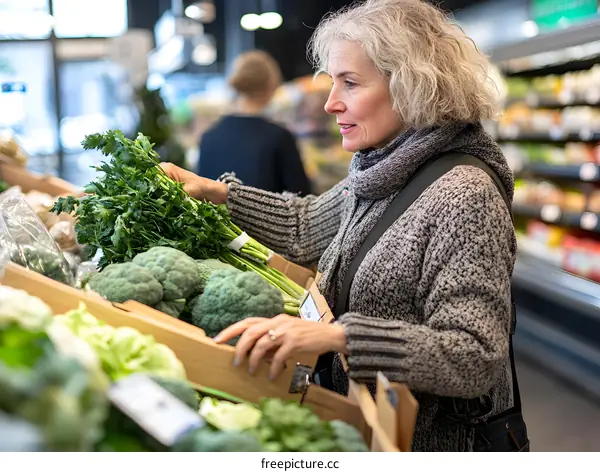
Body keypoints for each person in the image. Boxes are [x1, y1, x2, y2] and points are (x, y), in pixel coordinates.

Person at [162, 0, 519, 452]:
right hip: (366, 428)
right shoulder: (379, 167)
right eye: (333, 82)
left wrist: (338, 336)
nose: (331, 103)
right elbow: (307, 226)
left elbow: (474, 355)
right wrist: (218, 193)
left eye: (350, 83)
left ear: (412, 86)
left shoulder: (465, 196)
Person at [197, 50, 312, 195]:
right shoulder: (279, 138)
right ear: (271, 85)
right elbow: (301, 198)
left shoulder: (208, 137)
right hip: (267, 218)